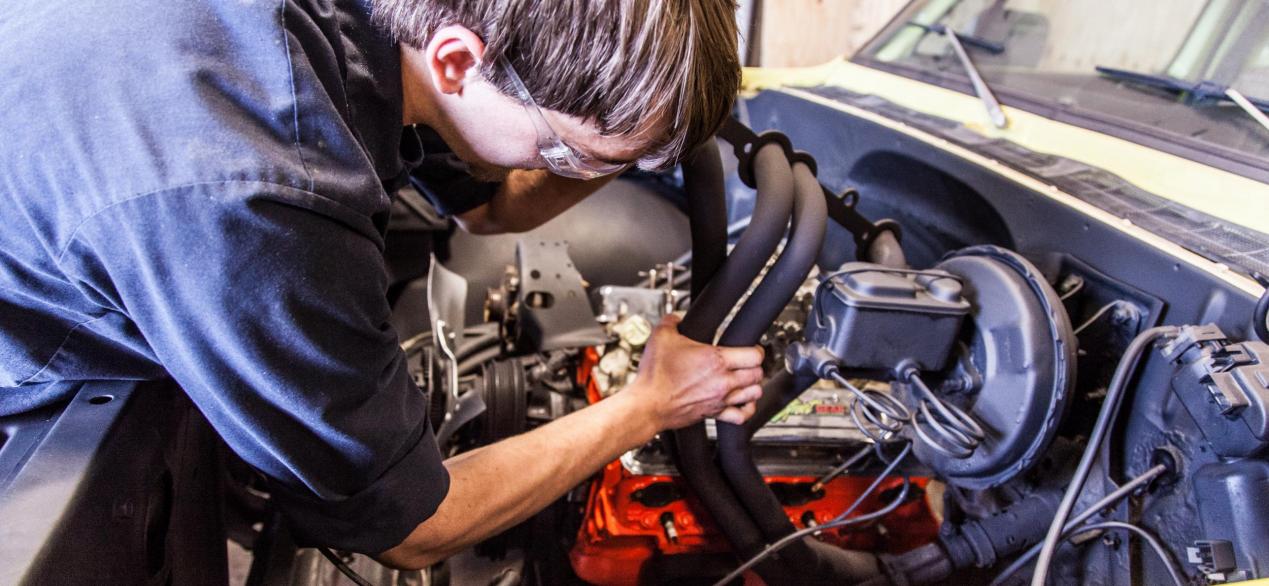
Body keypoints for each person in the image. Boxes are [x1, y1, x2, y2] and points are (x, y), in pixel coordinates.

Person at [0, 0, 759, 569]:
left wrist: (616, 142)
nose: (563, 174)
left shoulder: (389, 31)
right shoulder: (262, 194)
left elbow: (487, 211)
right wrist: (649, 404)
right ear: (459, 62)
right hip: (34, 386)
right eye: (561, 156)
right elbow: (412, 528)